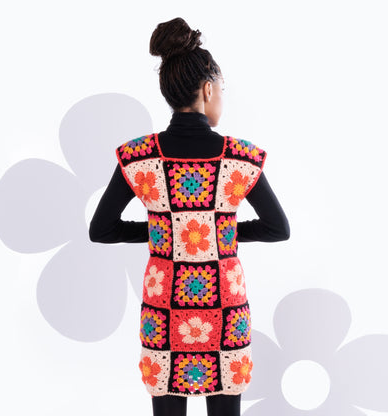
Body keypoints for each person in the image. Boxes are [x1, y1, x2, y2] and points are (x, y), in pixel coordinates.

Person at [89, 17, 290, 416]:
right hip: (224, 306)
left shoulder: (139, 156)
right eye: (222, 89)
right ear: (208, 89)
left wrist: (167, 232)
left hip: (164, 306)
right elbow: (277, 228)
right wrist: (217, 232)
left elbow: (102, 229)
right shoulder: (240, 158)